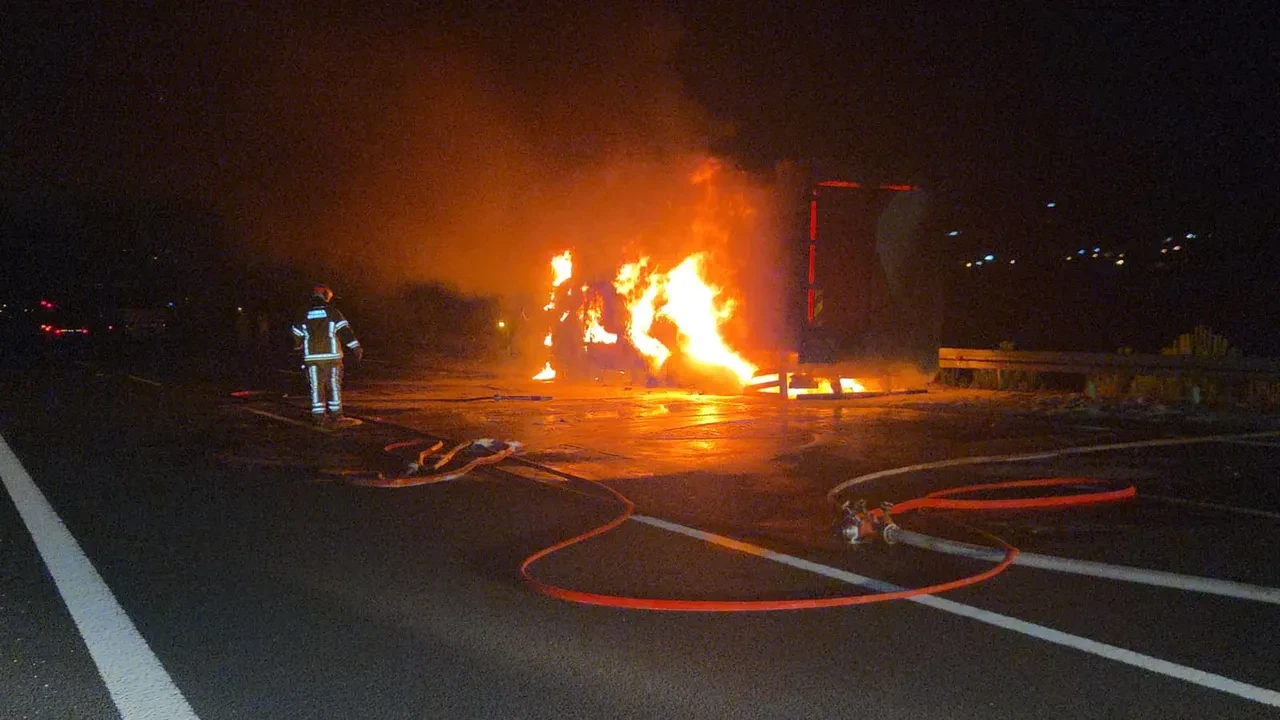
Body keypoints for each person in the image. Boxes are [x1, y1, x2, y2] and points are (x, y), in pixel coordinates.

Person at [291, 284, 362, 425]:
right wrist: (356, 347)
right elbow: (345, 332)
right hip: (332, 357)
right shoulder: (333, 313)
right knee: (333, 385)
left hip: (312, 359)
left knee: (316, 387)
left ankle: (318, 417)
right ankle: (336, 416)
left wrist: (298, 346)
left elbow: (296, 334)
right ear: (326, 296)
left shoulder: (303, 314)